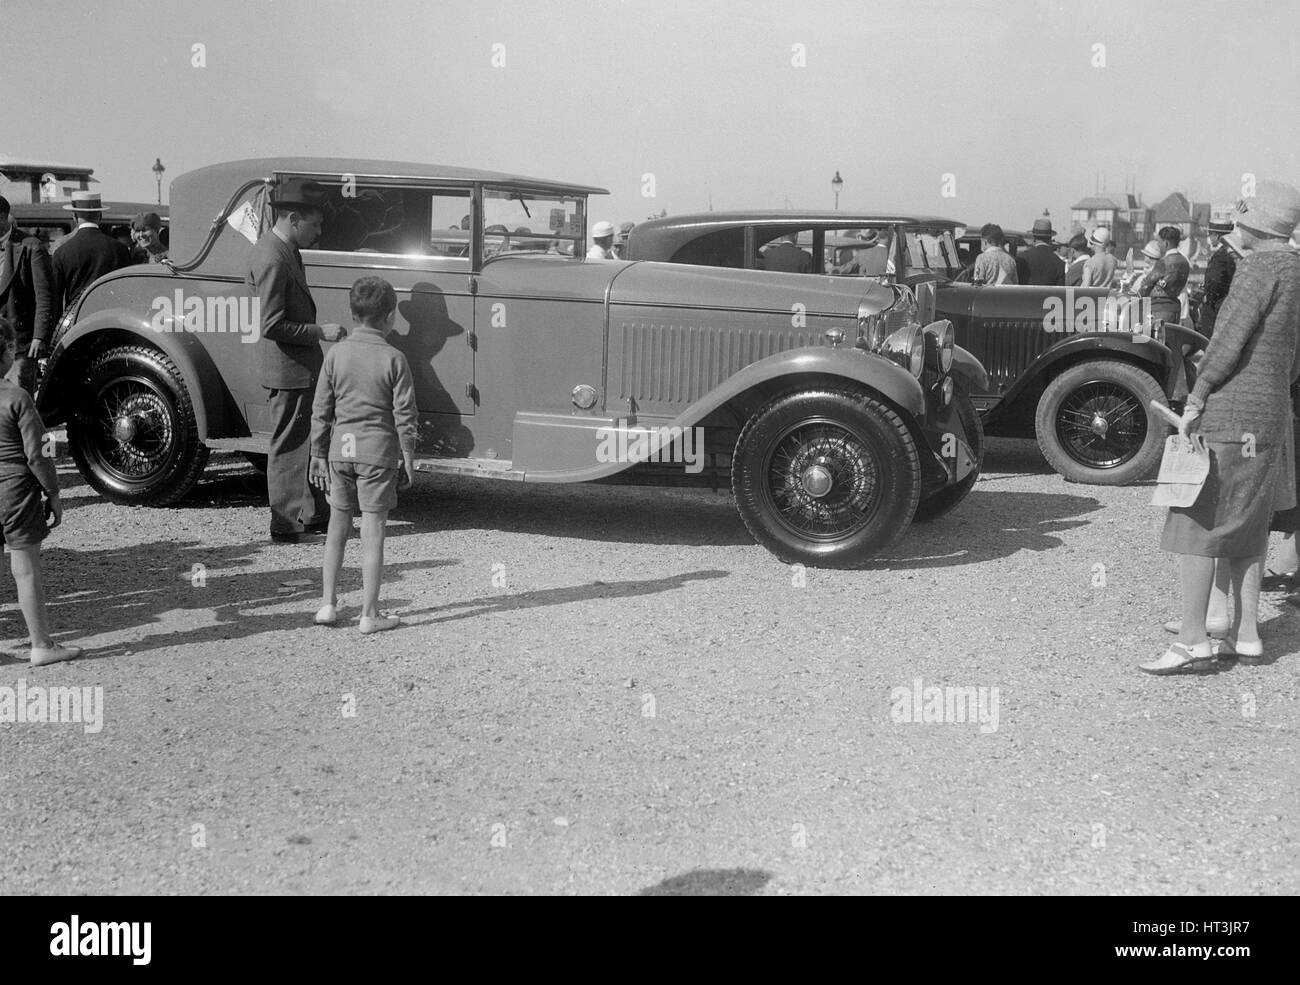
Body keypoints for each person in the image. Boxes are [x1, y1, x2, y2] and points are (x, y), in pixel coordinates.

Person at [1144, 179, 1300, 674]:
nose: (1235, 226)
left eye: (1241, 217)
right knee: (1248, 524)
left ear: (1256, 223)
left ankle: (1193, 640)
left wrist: (1197, 396)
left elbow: (1226, 344)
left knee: (1196, 519)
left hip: (1232, 411)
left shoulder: (1258, 270)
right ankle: (1245, 634)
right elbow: (1293, 362)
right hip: (1273, 413)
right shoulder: (1297, 271)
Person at [309, 276, 417, 634]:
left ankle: (328, 604)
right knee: (373, 533)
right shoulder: (394, 358)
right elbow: (405, 414)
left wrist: (318, 453)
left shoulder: (336, 354)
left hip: (341, 451)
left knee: (336, 528)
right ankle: (370, 614)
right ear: (389, 317)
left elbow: (321, 408)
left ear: (353, 313)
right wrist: (408, 454)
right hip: (378, 454)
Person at [247, 178, 346, 544]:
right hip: (288, 369)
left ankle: (310, 515)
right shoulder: (274, 258)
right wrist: (320, 332)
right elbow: (272, 325)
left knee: (302, 442)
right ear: (293, 217)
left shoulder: (281, 250)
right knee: (289, 448)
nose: (319, 232)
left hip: (294, 369)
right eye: (315, 224)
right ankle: (285, 526)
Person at [0, 316, 80, 665]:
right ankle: (41, 645)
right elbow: (38, 452)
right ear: (5, 353)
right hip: (16, 490)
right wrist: (54, 491)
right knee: (26, 570)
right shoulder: (17, 398)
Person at [0, 195, 54, 393]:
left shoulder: (30, 246)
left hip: (19, 343)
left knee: (17, 400)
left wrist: (39, 337)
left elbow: (45, 296)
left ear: (4, 216)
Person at [50, 191, 130, 317]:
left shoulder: (62, 252)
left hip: (77, 321)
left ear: (74, 217)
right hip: (112, 320)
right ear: (100, 216)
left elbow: (54, 299)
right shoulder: (120, 249)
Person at [1197, 219, 1237, 336]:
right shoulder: (1233, 253)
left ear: (1217, 235)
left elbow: (1215, 281)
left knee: (1208, 338)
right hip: (1227, 302)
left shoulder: (1220, 256)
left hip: (1216, 305)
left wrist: (1208, 298)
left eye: (1210, 234)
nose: (1209, 238)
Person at [1014, 217, 1065, 285]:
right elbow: (1060, 291)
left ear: (1034, 237)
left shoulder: (1023, 257)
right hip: (1049, 295)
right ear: (1050, 238)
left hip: (1025, 295)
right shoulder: (1059, 263)